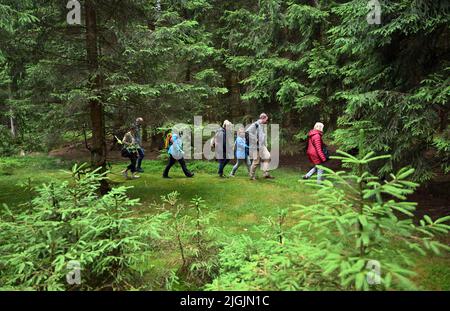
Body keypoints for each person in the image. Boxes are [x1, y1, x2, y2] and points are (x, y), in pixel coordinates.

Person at [247, 113, 275, 180]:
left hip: (262, 146)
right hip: (256, 146)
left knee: (268, 157)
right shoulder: (255, 124)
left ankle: (266, 173)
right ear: (263, 118)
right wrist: (254, 139)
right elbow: (247, 132)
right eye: (266, 119)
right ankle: (251, 176)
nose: (267, 121)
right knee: (256, 161)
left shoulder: (262, 125)